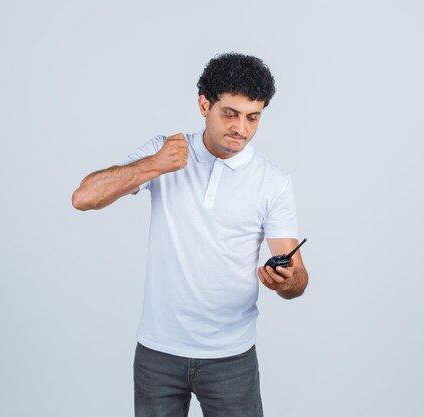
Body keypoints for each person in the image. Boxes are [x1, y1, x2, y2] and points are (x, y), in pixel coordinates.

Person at [72, 52, 309, 417]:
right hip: (158, 354)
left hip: (231, 358)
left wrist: (286, 280)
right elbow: (84, 197)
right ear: (204, 104)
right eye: (230, 114)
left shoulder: (272, 182)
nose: (241, 128)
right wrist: (154, 164)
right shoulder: (165, 151)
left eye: (253, 117)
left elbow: (297, 279)